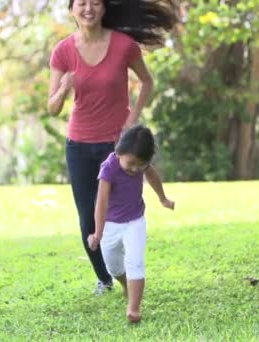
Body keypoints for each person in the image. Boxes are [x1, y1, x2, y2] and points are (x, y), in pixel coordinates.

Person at [47, 0, 177, 295]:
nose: (88, 8)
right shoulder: (63, 51)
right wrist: (65, 86)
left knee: (120, 213)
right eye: (81, 2)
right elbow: (52, 108)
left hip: (116, 146)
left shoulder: (123, 45)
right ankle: (105, 278)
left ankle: (126, 272)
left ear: (104, 8)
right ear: (72, 10)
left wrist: (131, 121)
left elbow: (147, 81)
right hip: (79, 145)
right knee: (87, 217)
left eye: (95, 2)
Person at [87, 124, 174, 323]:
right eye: (131, 163)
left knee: (135, 262)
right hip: (110, 224)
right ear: (119, 152)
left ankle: (134, 308)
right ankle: (126, 284)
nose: (135, 169)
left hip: (135, 221)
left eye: (141, 165)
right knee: (113, 267)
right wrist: (98, 234)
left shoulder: (143, 167)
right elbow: (101, 202)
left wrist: (162, 198)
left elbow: (152, 176)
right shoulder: (109, 168)